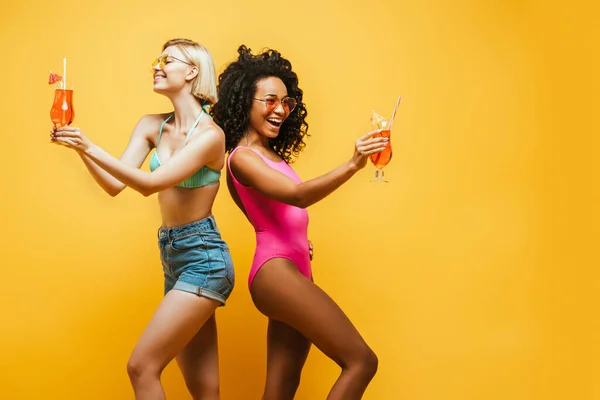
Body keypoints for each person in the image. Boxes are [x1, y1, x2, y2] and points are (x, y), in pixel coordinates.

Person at [51, 38, 234, 400]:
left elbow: (150, 185)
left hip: (204, 258)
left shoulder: (211, 136)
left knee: (142, 367)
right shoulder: (152, 125)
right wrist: (79, 149)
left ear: (192, 72)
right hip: (173, 256)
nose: (157, 65)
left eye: (168, 60)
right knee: (203, 388)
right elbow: (115, 185)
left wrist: (90, 146)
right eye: (157, 59)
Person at [212, 45, 385, 400]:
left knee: (281, 389)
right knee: (361, 361)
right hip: (276, 274)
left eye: (286, 103)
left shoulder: (271, 156)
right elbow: (298, 195)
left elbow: (276, 217)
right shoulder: (242, 158)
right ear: (245, 101)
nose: (280, 110)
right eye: (270, 101)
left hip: (294, 268)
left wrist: (297, 241)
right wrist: (353, 164)